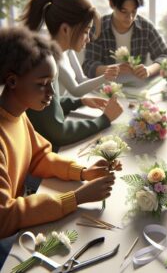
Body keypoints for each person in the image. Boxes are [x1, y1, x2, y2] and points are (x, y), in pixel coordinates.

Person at [0, 27, 119, 263]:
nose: (51, 93)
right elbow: (4, 217)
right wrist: (75, 198)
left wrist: (82, 172)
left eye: (51, 83)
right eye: (42, 84)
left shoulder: (18, 114)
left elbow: (39, 157)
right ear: (12, 81)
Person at [19, 0, 123, 151]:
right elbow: (59, 132)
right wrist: (105, 119)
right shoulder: (44, 65)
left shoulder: (48, 56)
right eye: (86, 31)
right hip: (36, 152)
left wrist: (78, 102)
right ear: (66, 29)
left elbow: (47, 107)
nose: (88, 39)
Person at [82, 0, 167, 81]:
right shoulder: (98, 28)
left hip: (137, 87)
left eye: (134, 11)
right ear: (112, 4)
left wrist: (149, 70)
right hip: (106, 88)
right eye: (124, 11)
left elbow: (166, 55)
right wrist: (112, 70)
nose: (129, 18)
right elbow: (88, 66)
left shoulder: (145, 27)